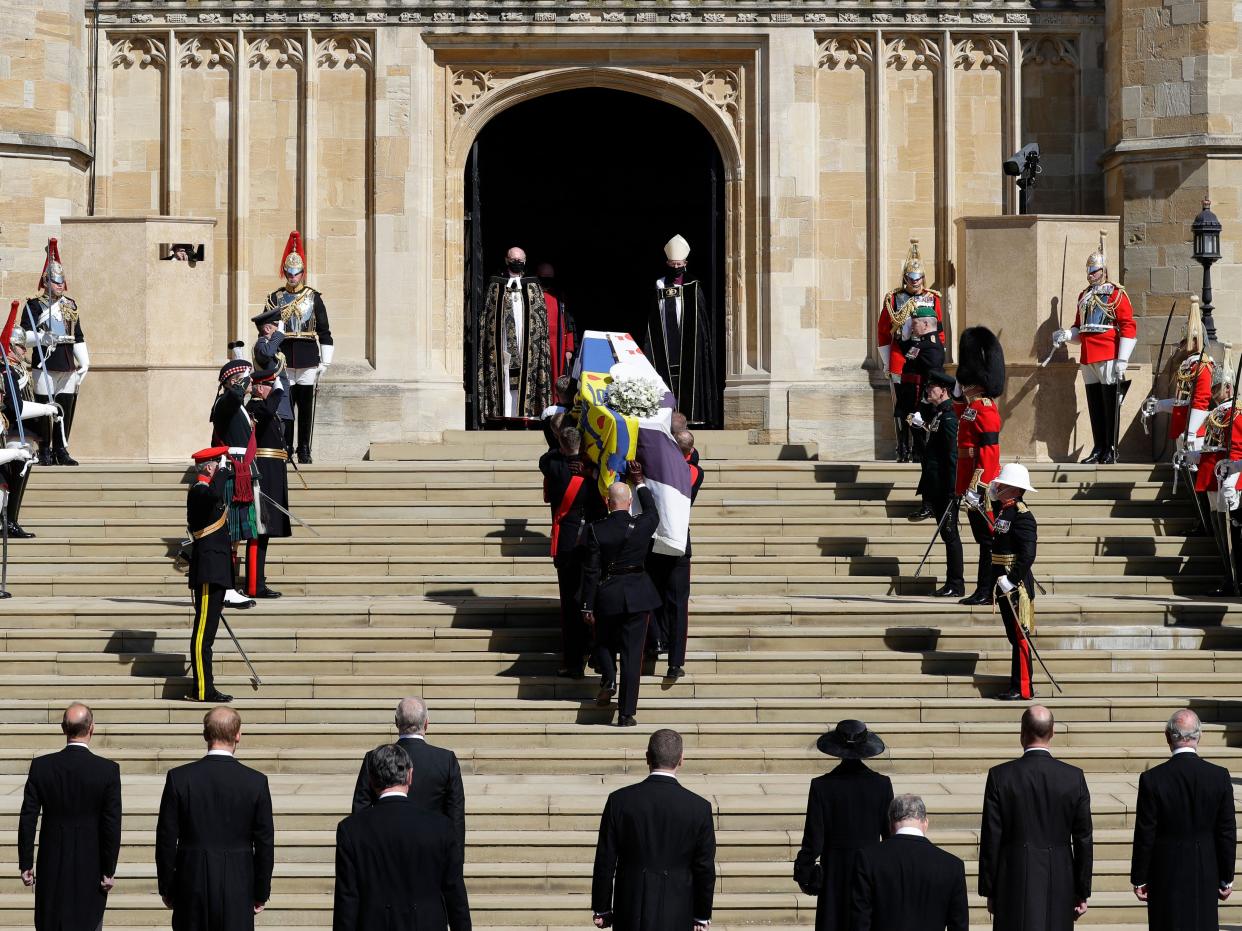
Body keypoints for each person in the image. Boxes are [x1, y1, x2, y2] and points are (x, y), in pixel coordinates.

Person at [156, 707, 275, 930]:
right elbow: (264, 844)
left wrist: (167, 888)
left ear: (205, 735)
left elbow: (166, 840)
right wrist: (261, 892)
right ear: (238, 734)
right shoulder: (256, 782)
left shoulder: (179, 778)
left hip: (191, 883)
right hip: (238, 886)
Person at [334, 743, 471, 931]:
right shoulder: (441, 827)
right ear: (410, 776)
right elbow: (455, 897)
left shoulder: (351, 830)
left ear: (372, 780)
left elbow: (346, 902)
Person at [979, 706, 1093, 930]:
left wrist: (990, 889)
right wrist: (1081, 890)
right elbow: (1083, 839)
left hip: (1014, 878)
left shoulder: (1001, 776)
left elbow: (991, 838)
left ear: (1022, 732)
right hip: (1060, 878)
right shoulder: (1073, 777)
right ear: (1052, 733)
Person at [591, 728, 715, 930]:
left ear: (647, 757)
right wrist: (702, 914)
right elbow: (704, 868)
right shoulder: (699, 808)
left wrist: (602, 907)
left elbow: (605, 860)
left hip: (631, 909)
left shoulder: (619, 801)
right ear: (681, 760)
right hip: (678, 910)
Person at [17, 703, 122, 931]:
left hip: (51, 864)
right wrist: (109, 869)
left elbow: (28, 818)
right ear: (91, 729)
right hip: (90, 866)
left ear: (63, 729)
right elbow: (111, 825)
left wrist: (26, 863)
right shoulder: (107, 770)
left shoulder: (41, 767)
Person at [1131, 708, 1236, 930]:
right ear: (1199, 736)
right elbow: (1226, 831)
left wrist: (1140, 877)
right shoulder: (1219, 776)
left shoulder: (1152, 779)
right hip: (1205, 869)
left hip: (1165, 870)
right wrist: (1226, 876)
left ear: (1168, 736)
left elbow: (1145, 833)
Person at [793, 719, 893, 931]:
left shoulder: (821, 786)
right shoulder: (882, 785)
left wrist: (804, 872)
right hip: (870, 872)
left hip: (834, 876)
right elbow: (889, 837)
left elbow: (814, 839)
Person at [581, 466, 661, 727]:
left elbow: (591, 570)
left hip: (608, 594)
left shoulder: (596, 529)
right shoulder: (641, 524)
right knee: (632, 655)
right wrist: (640, 483)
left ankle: (609, 676)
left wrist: (587, 605)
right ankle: (627, 714)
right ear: (628, 503)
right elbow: (653, 512)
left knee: (602, 642)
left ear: (607, 502)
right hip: (638, 594)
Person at [1053, 235, 1137, 463]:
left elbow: (1128, 325)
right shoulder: (1084, 296)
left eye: (1094, 271)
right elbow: (1081, 329)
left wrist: (1123, 359)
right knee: (1095, 405)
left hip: (1108, 353)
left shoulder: (1115, 293)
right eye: (1088, 271)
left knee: (1110, 405)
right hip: (1088, 355)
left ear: (1103, 270)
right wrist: (1066, 335)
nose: (1090, 275)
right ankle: (1099, 448)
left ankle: (1111, 449)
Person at [349, 698, 466, 849]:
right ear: (426, 723)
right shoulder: (446, 760)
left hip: (385, 850)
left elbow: (360, 812)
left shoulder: (373, 757)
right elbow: (456, 818)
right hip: (432, 852)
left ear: (396, 722)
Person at [262, 231, 333, 463]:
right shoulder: (274, 298)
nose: (292, 277)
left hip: (307, 357)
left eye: (296, 273)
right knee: (285, 409)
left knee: (305, 407)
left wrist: (325, 361)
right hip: (284, 357)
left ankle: (304, 449)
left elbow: (324, 330)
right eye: (289, 273)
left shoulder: (313, 297)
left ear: (302, 273)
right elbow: (264, 327)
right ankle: (286, 448)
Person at [851, 794, 969, 931]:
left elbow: (859, 920)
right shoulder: (952, 866)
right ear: (925, 822)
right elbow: (959, 925)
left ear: (891, 824)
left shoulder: (868, 859)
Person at [539, 425, 600, 678]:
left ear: (561, 447)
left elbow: (544, 459)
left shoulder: (556, 467)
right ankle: (595, 651)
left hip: (567, 544)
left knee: (570, 605)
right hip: (592, 542)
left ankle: (574, 660)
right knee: (591, 599)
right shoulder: (594, 472)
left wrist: (565, 449)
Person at [24, 237, 89, 467]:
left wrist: (85, 361)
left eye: (62, 281)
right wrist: (42, 337)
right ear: (46, 281)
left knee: (66, 407)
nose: (60, 285)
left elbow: (77, 335)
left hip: (67, 362)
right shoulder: (34, 305)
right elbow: (23, 336)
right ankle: (45, 451)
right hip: (46, 362)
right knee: (44, 409)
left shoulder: (70, 304)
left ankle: (61, 448)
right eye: (55, 281)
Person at [643, 235, 719, 427]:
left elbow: (699, 318)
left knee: (689, 373)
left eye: (679, 263)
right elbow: (653, 315)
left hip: (688, 340)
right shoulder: (659, 284)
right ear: (667, 262)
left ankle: (692, 415)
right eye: (672, 263)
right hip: (666, 339)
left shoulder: (693, 285)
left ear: (685, 262)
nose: (676, 266)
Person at [878, 239, 944, 462]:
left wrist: (937, 356)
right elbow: (883, 332)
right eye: (911, 279)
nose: (916, 283)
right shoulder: (894, 299)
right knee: (901, 404)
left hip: (925, 356)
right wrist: (887, 361)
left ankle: (921, 447)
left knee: (924, 402)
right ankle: (903, 447)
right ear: (905, 278)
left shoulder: (932, 298)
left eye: (919, 279)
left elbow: (940, 331)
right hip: (901, 356)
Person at [646, 429, 704, 677]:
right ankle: (668, 650)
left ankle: (671, 656)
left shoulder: (686, 471)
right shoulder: (686, 468)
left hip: (668, 538)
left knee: (670, 599)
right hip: (672, 539)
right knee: (669, 600)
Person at [954, 326, 1005, 606]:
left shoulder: (985, 407)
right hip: (969, 483)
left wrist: (977, 486)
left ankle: (987, 590)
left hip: (981, 488)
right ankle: (983, 589)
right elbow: (958, 413)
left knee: (987, 541)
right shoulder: (973, 406)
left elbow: (989, 452)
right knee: (982, 541)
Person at [980, 463, 1039, 701]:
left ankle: (1023, 687)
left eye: (1003, 484)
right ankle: (1016, 684)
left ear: (1014, 489)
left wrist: (1012, 580)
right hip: (1002, 581)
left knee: (1020, 637)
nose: (999, 486)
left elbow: (1027, 555)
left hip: (1016, 587)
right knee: (1013, 637)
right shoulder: (1006, 510)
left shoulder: (1023, 516)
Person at [477, 246, 553, 424]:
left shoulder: (534, 286)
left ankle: (525, 415)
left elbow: (540, 319)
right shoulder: (496, 284)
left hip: (527, 343)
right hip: (502, 342)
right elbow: (487, 318)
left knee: (526, 373)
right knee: (503, 372)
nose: (516, 263)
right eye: (513, 259)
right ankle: (502, 415)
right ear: (506, 260)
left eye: (520, 260)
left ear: (525, 261)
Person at [186, 446, 236, 703]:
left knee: (208, 634)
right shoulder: (199, 490)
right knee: (203, 635)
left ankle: (205, 686)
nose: (220, 468)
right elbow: (214, 492)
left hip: (215, 570)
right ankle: (203, 689)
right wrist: (224, 472)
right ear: (208, 467)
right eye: (217, 463)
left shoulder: (208, 490)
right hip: (207, 571)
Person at [210, 358, 260, 610]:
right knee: (229, 534)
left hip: (241, 471)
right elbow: (232, 397)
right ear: (235, 381)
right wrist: (241, 383)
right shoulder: (225, 402)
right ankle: (226, 589)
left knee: (236, 536)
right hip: (232, 472)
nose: (251, 382)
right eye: (247, 378)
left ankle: (229, 587)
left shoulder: (237, 404)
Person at [911, 369, 963, 597]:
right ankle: (953, 581)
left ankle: (956, 583)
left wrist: (953, 489)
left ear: (943, 391)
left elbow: (952, 456)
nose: (927, 391)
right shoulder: (939, 416)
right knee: (947, 535)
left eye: (932, 388)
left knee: (950, 535)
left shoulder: (949, 417)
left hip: (946, 487)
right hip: (937, 485)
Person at [243, 362, 289, 599]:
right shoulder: (254, 407)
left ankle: (258, 581)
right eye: (272, 385)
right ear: (261, 388)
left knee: (265, 532)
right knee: (259, 531)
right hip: (264, 474)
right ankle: (254, 585)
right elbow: (269, 411)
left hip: (273, 474)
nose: (276, 389)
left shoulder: (262, 406)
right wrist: (279, 392)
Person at [894, 304, 946, 467]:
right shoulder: (923, 343)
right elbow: (909, 355)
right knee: (912, 425)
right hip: (911, 392)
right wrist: (903, 337)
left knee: (921, 431)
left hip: (921, 395)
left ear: (926, 324)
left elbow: (932, 374)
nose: (912, 326)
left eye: (914, 323)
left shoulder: (931, 345)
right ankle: (916, 455)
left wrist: (925, 399)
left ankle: (923, 458)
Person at [535, 261, 576, 385]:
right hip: (539, 343)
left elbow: (568, 322)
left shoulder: (559, 296)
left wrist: (569, 348)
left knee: (558, 377)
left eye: (549, 278)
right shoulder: (534, 296)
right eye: (544, 277)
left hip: (559, 345)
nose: (547, 280)